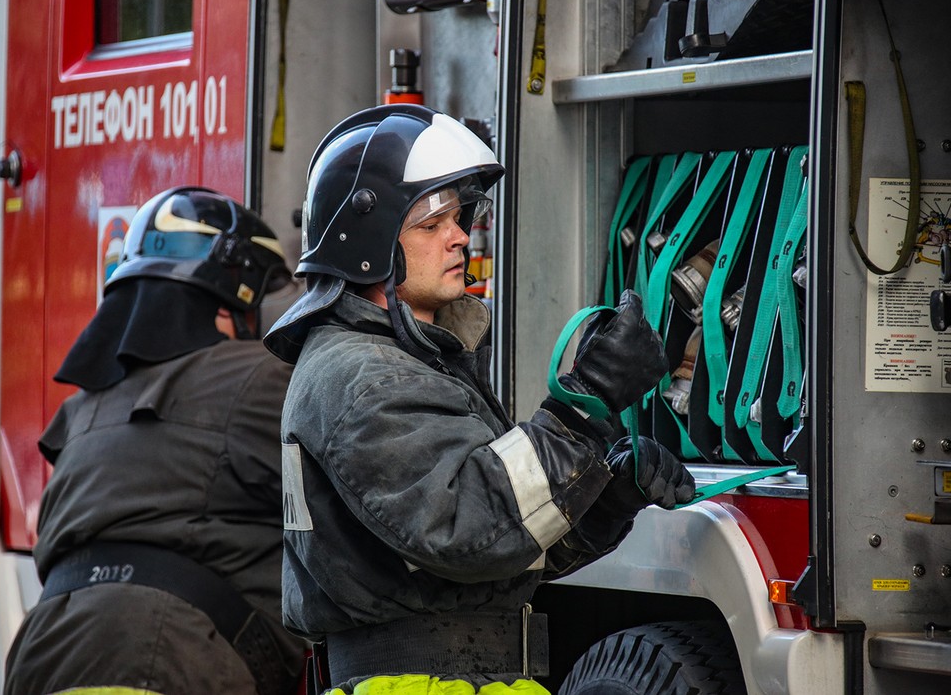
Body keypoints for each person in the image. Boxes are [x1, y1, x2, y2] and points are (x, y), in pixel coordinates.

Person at [263, 104, 696, 695]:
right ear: (368, 239)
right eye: (432, 222)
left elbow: (508, 551)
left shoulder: (408, 363)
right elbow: (472, 532)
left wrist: (607, 496)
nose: (460, 235)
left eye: (461, 217)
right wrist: (584, 405)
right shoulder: (366, 376)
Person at [4, 187, 306, 695]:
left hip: (40, 652)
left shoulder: (81, 411)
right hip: (165, 654)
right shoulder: (257, 376)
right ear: (231, 298)